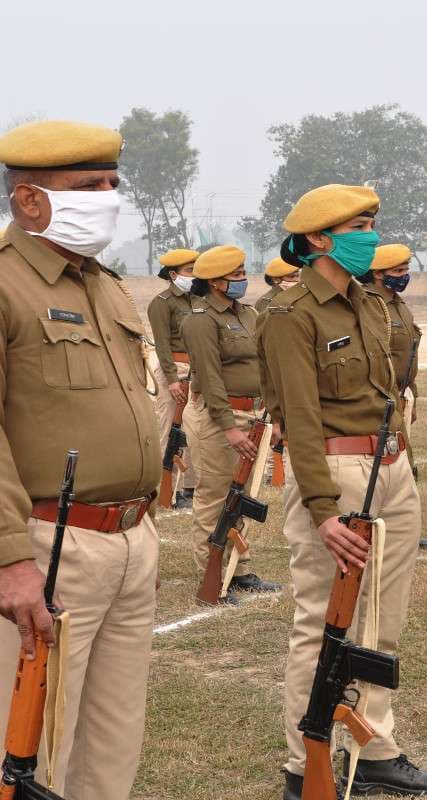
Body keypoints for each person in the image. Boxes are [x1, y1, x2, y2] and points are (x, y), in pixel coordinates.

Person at [0, 120, 160, 800]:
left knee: (109, 742)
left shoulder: (103, 286)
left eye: (112, 184)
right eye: (87, 187)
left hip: (128, 540)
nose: (107, 198)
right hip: (46, 545)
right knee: (20, 745)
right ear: (28, 200)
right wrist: (10, 557)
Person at [259, 183, 427, 799]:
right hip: (338, 477)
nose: (372, 233)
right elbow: (298, 418)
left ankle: (374, 750)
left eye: (373, 221)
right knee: (323, 623)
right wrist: (320, 508)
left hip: (388, 470)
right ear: (319, 239)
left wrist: (404, 463)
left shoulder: (369, 303)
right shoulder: (291, 315)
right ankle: (306, 763)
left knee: (381, 624)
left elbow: (387, 397)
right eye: (361, 224)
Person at [182, 244, 278, 600]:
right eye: (236, 275)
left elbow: (264, 365)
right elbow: (208, 377)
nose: (242, 280)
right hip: (222, 417)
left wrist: (272, 413)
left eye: (242, 273)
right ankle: (212, 574)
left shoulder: (248, 315)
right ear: (216, 282)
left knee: (241, 497)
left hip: (253, 414)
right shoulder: (200, 320)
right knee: (215, 497)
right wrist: (229, 427)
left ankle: (239, 568)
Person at [361, 243, 427, 547]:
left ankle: (402, 526)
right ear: (378, 274)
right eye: (397, 271)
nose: (404, 276)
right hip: (381, 397)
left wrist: (411, 395)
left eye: (406, 270)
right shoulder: (371, 304)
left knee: (403, 461)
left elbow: (408, 354)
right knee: (388, 463)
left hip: (401, 395)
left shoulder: (399, 305)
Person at [148, 248, 200, 508]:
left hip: (197, 371)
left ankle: (189, 489)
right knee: (170, 432)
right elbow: (162, 345)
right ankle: (164, 491)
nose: (195, 275)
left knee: (195, 431)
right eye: (190, 271)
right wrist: (171, 379)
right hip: (175, 369)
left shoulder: (199, 298)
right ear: (173, 274)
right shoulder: (162, 302)